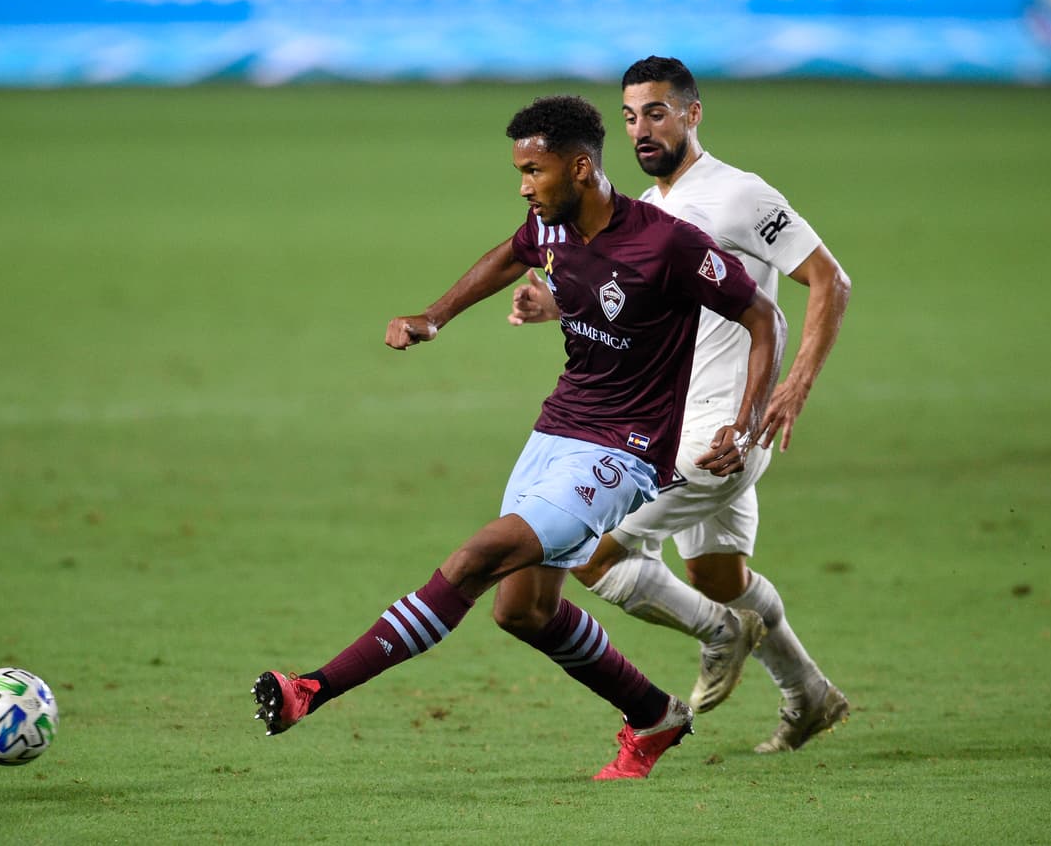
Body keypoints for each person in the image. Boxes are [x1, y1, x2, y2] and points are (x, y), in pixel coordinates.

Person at [251, 94, 787, 781]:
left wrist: (743, 424)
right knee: (524, 611)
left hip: (623, 453)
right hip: (557, 430)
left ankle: (313, 688)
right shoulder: (551, 227)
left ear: (583, 169)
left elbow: (762, 316)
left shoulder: (667, 243)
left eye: (535, 172)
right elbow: (511, 255)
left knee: (478, 557)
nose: (525, 186)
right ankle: (655, 716)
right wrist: (436, 316)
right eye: (521, 173)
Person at [510, 57, 852, 754]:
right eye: (632, 115)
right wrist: (555, 305)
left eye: (658, 112)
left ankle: (719, 635)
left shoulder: (738, 196)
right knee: (720, 577)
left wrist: (796, 386)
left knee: (590, 554)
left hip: (724, 431)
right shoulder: (653, 209)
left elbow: (829, 280)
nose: (643, 128)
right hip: (671, 424)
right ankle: (809, 695)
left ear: (694, 114)